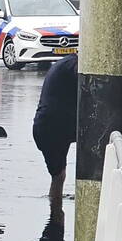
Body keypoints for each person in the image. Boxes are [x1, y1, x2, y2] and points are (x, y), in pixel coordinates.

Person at [32, 53, 77, 211]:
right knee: (58, 176)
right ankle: (56, 215)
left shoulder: (65, 63)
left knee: (58, 176)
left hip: (48, 125)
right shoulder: (75, 65)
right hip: (53, 127)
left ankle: (56, 215)